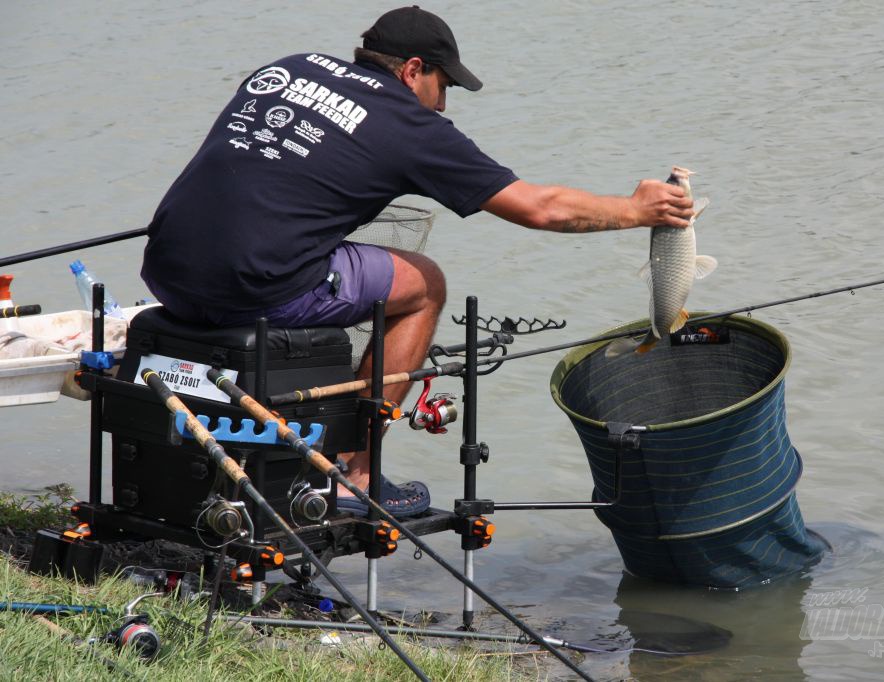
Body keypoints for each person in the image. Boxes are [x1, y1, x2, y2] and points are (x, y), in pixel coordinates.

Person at [141, 6, 695, 517]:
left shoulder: (287, 69)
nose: (443, 104)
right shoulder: (409, 126)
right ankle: (353, 475)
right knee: (425, 284)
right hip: (258, 285)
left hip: (167, 269)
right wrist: (634, 210)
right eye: (443, 84)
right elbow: (539, 209)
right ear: (412, 70)